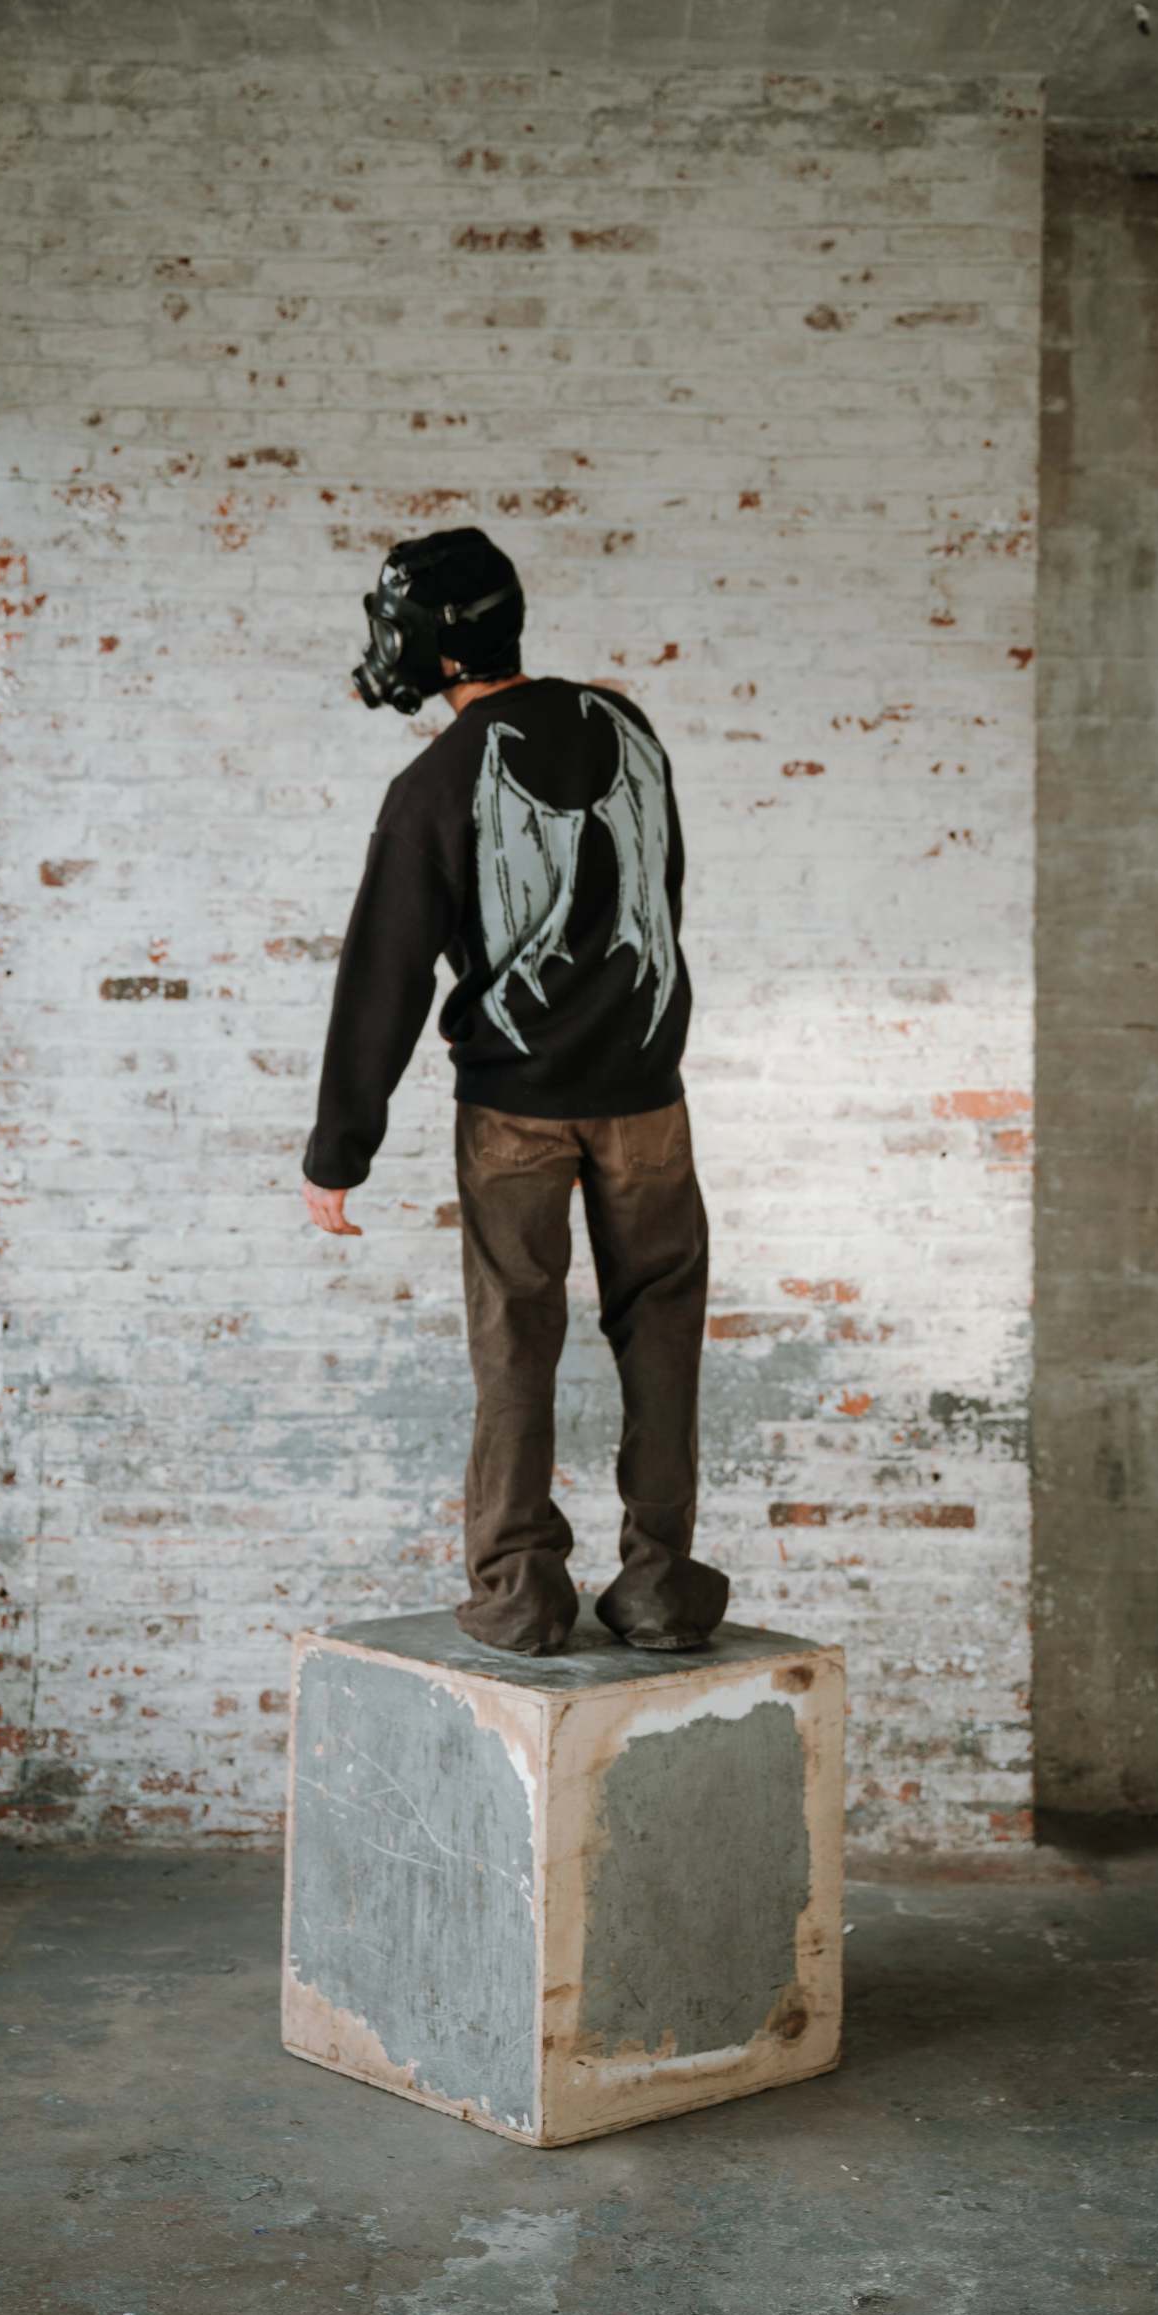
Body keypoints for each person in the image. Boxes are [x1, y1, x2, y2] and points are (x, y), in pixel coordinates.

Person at [299, 525, 729, 1660]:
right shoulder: (627, 729)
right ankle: (661, 1590)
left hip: (515, 1109)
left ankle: (520, 1594)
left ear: (438, 649)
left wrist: (338, 1151)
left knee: (514, 1341)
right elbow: (659, 894)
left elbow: (383, 975)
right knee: (662, 1333)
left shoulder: (435, 783)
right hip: (646, 1096)